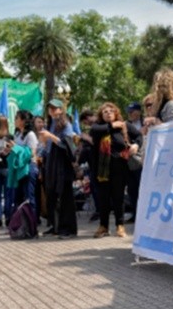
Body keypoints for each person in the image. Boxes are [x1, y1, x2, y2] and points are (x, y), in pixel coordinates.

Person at [90, 102, 142, 238]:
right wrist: (112, 126)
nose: (108, 113)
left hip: (120, 168)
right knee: (103, 199)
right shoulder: (98, 127)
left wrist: (136, 145)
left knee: (118, 198)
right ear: (101, 115)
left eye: (111, 111)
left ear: (116, 113)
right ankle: (103, 226)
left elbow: (138, 136)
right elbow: (94, 131)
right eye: (105, 112)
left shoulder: (125, 126)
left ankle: (120, 225)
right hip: (101, 171)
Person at [38, 99, 78, 238]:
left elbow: (67, 145)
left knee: (65, 196)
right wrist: (42, 150)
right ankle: (54, 225)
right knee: (52, 195)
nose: (52, 111)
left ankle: (68, 228)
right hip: (50, 162)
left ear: (61, 110)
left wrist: (50, 136)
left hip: (62, 163)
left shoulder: (66, 124)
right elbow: (47, 145)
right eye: (50, 108)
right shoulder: (50, 124)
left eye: (55, 108)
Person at [14, 110, 39, 215]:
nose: (15, 120)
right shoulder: (18, 134)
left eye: (17, 118)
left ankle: (31, 224)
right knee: (19, 197)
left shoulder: (31, 135)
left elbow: (31, 153)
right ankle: (21, 224)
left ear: (24, 121)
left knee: (29, 196)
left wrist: (15, 148)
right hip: (19, 168)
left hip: (28, 167)